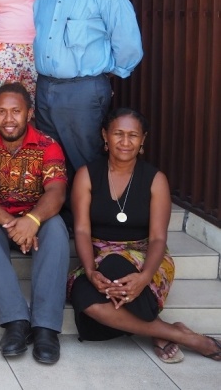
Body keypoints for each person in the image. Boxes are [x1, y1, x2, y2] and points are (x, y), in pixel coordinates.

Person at [68, 108, 221, 363]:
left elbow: (159, 238)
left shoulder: (155, 179)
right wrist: (91, 270)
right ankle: (176, 333)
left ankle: (161, 326)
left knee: (116, 266)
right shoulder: (87, 175)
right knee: (86, 299)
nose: (125, 142)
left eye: (133, 135)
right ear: (105, 135)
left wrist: (145, 277)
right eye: (118, 134)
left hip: (145, 256)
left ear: (143, 140)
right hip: (96, 258)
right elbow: (82, 229)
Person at [0, 83, 69, 364]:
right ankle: (16, 322)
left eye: (16, 111)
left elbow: (56, 192)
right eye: (1, 112)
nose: (9, 119)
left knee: (56, 228)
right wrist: (14, 224)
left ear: (29, 113)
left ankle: (45, 327)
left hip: (35, 216)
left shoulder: (48, 145)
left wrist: (32, 220)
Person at [33, 0, 144, 178]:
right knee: (51, 162)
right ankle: (61, 216)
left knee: (84, 161)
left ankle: (87, 216)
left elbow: (129, 47)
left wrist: (106, 73)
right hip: (45, 88)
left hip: (82, 92)